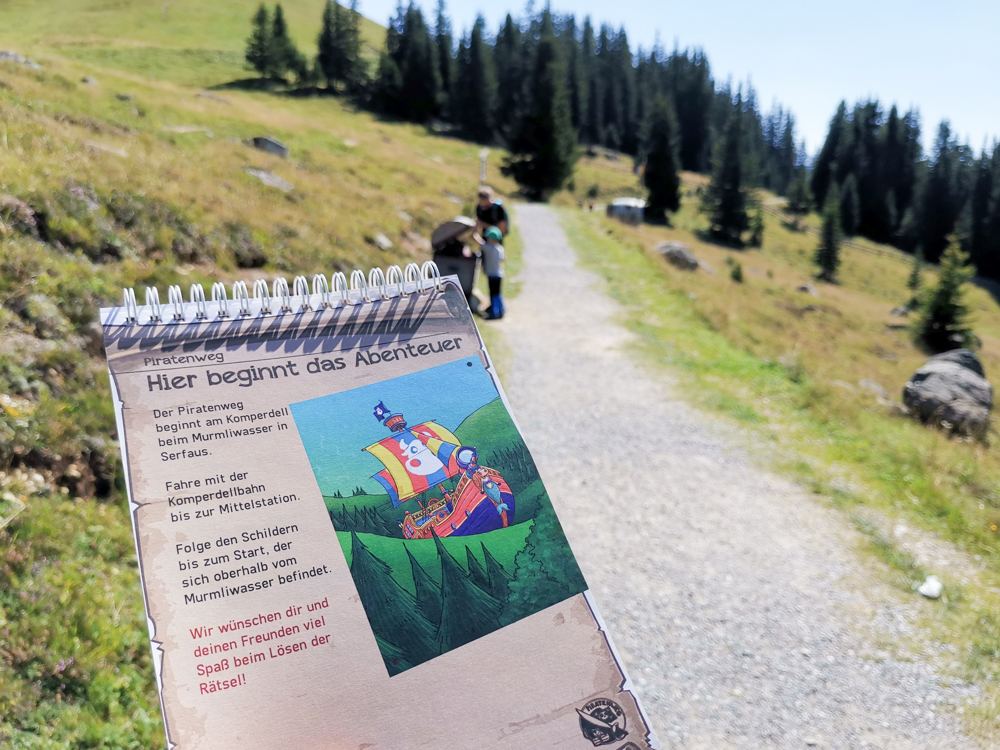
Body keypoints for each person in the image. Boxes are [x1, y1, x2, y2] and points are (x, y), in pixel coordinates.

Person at [478, 226, 506, 320]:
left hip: (492, 275)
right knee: (498, 293)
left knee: (493, 294)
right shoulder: (500, 248)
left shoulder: (489, 248)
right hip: (499, 274)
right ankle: (501, 310)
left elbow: (479, 242)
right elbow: (503, 259)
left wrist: (474, 231)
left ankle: (494, 313)